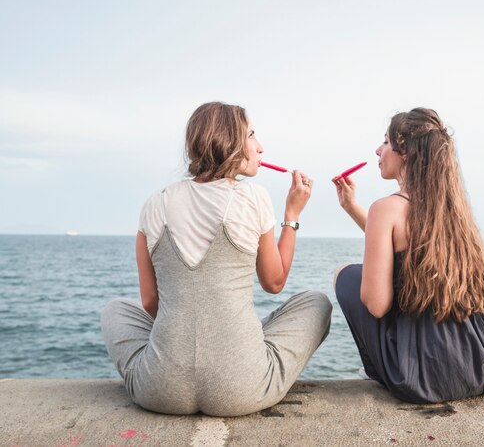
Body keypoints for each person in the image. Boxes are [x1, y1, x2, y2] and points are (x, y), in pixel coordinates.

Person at [101, 101, 332, 416]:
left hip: (159, 390)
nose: (260, 147)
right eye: (251, 136)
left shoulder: (154, 204)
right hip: (243, 388)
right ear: (231, 144)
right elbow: (274, 282)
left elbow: (151, 303)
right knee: (317, 303)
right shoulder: (254, 198)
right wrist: (292, 214)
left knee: (116, 310)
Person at [333, 108, 484, 404]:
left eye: (385, 142)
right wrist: (353, 208)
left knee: (346, 273)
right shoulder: (452, 208)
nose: (378, 150)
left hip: (427, 376)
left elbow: (377, 306)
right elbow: (403, 245)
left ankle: (378, 370)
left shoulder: (386, 208)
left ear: (403, 150)